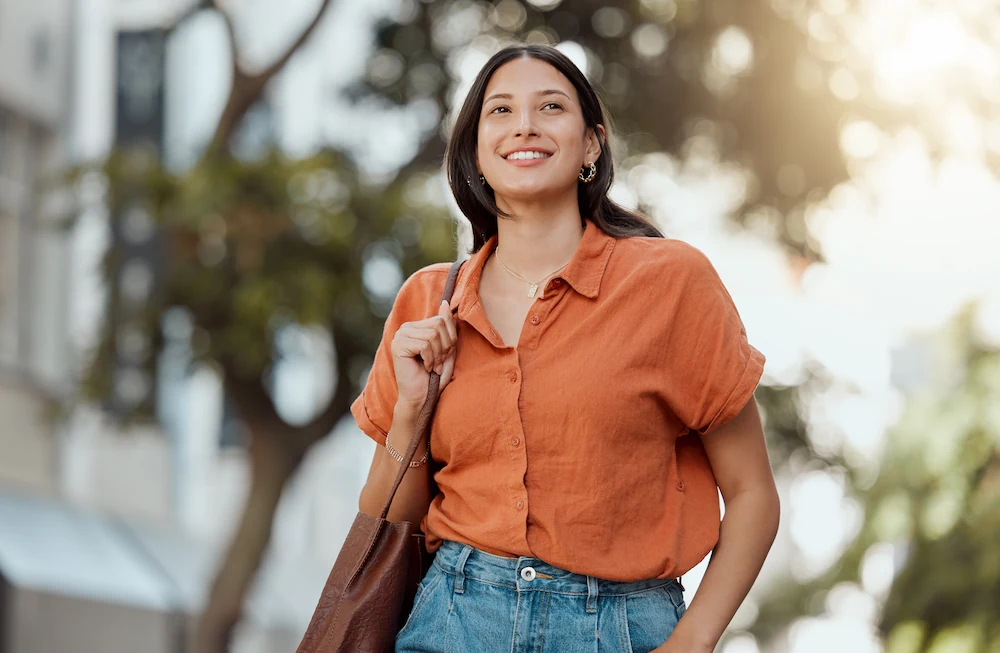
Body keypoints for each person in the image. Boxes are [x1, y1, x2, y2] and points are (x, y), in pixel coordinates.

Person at [355, 43, 779, 653]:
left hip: (621, 629)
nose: (524, 124)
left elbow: (752, 494)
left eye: (550, 106)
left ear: (591, 144)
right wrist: (409, 413)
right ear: (476, 149)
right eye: (499, 111)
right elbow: (385, 525)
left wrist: (692, 643)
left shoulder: (669, 283)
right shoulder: (426, 302)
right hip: (451, 622)